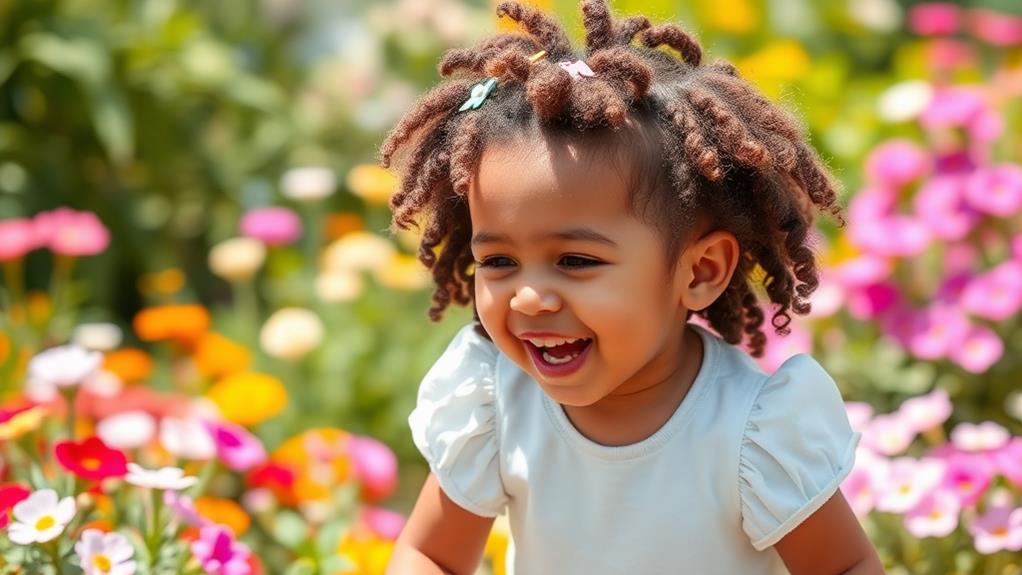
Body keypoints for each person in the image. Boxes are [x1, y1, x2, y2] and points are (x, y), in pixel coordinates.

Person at [381, 1, 884, 573]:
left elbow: (845, 566)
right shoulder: (498, 404)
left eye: (574, 260)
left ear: (699, 272)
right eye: (498, 261)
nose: (527, 297)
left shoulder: (751, 433)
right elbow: (431, 555)